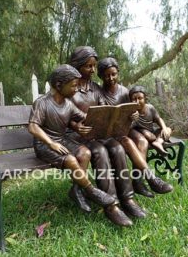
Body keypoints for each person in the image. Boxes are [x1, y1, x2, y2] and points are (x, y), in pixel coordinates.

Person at [68, 46, 146, 227]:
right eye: (88, 66)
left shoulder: (95, 88)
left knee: (117, 147)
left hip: (98, 133)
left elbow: (105, 108)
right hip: (78, 137)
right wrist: (76, 126)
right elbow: (63, 115)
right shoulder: (69, 87)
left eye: (94, 66)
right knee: (100, 152)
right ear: (77, 66)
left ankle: (128, 199)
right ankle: (111, 205)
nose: (93, 70)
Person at [28, 64, 116, 213]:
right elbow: (33, 127)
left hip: (62, 141)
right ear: (59, 84)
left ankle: (76, 190)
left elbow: (86, 117)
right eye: (74, 85)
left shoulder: (68, 104)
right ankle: (91, 191)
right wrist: (51, 143)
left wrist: (107, 117)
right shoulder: (42, 103)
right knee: (70, 160)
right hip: (44, 145)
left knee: (85, 153)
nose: (76, 89)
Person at [97, 56, 173, 197]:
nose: (111, 78)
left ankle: (138, 181)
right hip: (110, 133)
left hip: (127, 127)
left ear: (118, 73)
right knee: (127, 142)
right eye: (106, 75)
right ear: (101, 76)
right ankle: (148, 179)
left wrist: (134, 116)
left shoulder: (125, 92)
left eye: (114, 74)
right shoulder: (99, 93)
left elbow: (135, 109)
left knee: (142, 141)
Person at [129, 85, 172, 155]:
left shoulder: (150, 108)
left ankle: (158, 142)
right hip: (142, 133)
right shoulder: (131, 112)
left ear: (145, 98)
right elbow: (129, 127)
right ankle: (155, 141)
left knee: (168, 129)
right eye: (134, 99)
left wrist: (164, 128)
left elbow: (158, 119)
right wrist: (132, 119)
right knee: (148, 135)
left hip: (152, 130)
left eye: (140, 98)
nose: (137, 101)